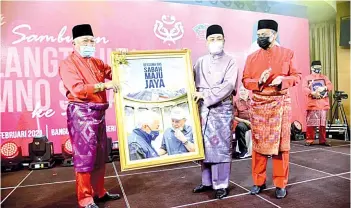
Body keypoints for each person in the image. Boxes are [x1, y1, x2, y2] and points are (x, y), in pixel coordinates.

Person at [59, 24, 121, 208]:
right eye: (85, 40)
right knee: (85, 157)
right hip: (81, 112)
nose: (89, 44)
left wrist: (123, 59)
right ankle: (85, 199)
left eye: (92, 41)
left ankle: (99, 192)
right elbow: (77, 89)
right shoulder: (67, 64)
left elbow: (115, 72)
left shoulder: (97, 62)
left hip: (99, 112)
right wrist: (103, 86)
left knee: (100, 155)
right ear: (74, 43)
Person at [242, 19, 302, 199]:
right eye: (258, 35)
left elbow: (297, 76)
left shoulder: (288, 54)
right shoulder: (251, 58)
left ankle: (280, 183)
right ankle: (258, 182)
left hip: (281, 103)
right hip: (259, 105)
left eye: (264, 35)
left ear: (274, 35)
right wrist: (258, 81)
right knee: (258, 147)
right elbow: (245, 81)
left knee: (281, 148)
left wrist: (282, 80)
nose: (261, 38)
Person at [192, 24, 239, 199]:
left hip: (221, 109)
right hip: (203, 110)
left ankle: (221, 184)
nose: (215, 41)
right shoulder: (200, 61)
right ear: (206, 42)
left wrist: (205, 95)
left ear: (224, 40)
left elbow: (228, 86)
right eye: (212, 39)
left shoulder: (231, 61)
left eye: (219, 38)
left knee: (219, 146)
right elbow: (190, 81)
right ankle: (207, 182)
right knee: (204, 147)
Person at [302, 60, 333, 146]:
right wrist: (312, 93)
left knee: (322, 124)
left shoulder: (324, 77)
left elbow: (330, 86)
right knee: (311, 123)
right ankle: (309, 140)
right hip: (312, 104)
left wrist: (325, 88)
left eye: (319, 68)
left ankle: (322, 140)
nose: (318, 70)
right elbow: (304, 88)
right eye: (316, 68)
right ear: (311, 68)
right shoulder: (307, 78)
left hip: (323, 104)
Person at [233, 85, 251, 159]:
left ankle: (266, 151)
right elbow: (234, 116)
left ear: (248, 91)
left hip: (255, 121)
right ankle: (243, 151)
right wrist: (245, 121)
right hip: (244, 122)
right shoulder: (236, 103)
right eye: (241, 90)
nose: (242, 92)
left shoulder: (253, 100)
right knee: (239, 127)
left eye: (244, 90)